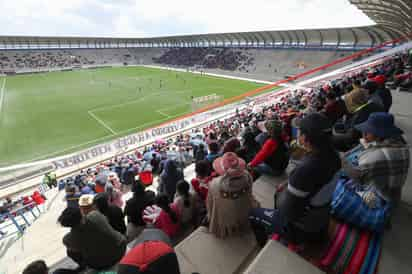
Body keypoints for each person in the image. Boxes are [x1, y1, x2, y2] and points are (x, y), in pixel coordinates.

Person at [249, 113, 341, 246]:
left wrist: (285, 191)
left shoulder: (305, 170)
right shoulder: (334, 156)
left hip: (304, 227)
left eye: (299, 131)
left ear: (305, 138)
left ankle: (271, 243)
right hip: (322, 214)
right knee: (281, 192)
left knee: (253, 213)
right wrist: (289, 184)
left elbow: (290, 212)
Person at [342, 112, 410, 206]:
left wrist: (342, 160)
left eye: (368, 131)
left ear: (379, 134)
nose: (363, 134)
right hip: (394, 192)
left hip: (383, 199)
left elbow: (357, 177)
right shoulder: (400, 144)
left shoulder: (377, 156)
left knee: (341, 184)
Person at [59, 201, 126, 271]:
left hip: (102, 264)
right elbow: (107, 221)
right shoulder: (95, 215)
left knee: (69, 251)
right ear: (80, 213)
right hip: (121, 247)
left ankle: (84, 267)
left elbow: (75, 249)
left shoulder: (68, 239)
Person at [207, 152, 258, 238]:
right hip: (244, 209)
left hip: (226, 216)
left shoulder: (214, 184)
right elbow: (250, 193)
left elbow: (211, 204)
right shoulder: (248, 176)